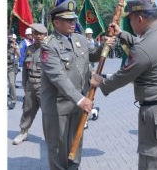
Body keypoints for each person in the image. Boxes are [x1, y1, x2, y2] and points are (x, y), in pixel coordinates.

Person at [90, 0, 157, 169]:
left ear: (140, 19)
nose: (130, 24)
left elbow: (124, 75)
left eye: (131, 20)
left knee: (151, 161)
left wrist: (101, 82)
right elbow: (147, 46)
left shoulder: (143, 49)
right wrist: (122, 34)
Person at [39, 0, 115, 169]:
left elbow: (93, 55)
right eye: (68, 20)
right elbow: (58, 77)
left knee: (75, 150)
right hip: (58, 109)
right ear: (56, 22)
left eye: (73, 19)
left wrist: (105, 45)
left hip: (78, 107)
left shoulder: (79, 39)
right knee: (58, 153)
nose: (73, 23)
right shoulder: (48, 45)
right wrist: (81, 100)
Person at [12, 23, 48, 145]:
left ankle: (50, 137)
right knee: (27, 110)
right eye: (36, 34)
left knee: (48, 113)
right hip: (30, 85)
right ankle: (23, 132)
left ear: (45, 35)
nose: (38, 36)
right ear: (32, 35)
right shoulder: (29, 50)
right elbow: (26, 69)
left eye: (41, 34)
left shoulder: (49, 49)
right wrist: (24, 84)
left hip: (44, 87)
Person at [7, 32, 21, 110]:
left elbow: (19, 55)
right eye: (8, 38)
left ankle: (13, 100)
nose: (9, 39)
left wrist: (15, 48)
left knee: (12, 83)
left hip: (11, 67)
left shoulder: (15, 45)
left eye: (10, 38)